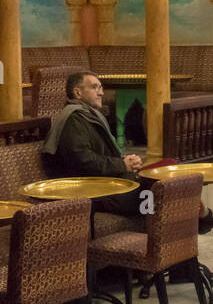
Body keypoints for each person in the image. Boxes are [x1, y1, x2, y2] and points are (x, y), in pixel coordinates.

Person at [40, 70, 144, 216]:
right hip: (84, 189)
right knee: (144, 195)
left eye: (101, 88)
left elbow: (104, 152)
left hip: (101, 181)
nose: (101, 93)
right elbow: (82, 161)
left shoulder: (90, 115)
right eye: (95, 87)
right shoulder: (73, 119)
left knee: (151, 185)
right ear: (77, 92)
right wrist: (121, 165)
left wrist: (128, 161)